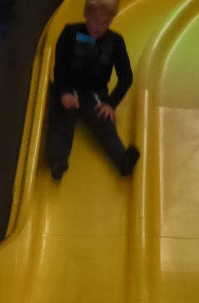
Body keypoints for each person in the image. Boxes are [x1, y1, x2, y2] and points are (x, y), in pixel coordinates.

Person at [46, 0, 139, 180]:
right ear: (86, 14)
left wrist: (111, 103)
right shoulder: (70, 33)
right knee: (61, 120)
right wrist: (64, 92)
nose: (98, 28)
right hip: (69, 89)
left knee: (105, 125)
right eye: (95, 21)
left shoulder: (115, 42)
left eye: (105, 23)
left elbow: (126, 77)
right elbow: (60, 67)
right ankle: (57, 160)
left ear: (112, 20)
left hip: (94, 94)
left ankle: (123, 161)